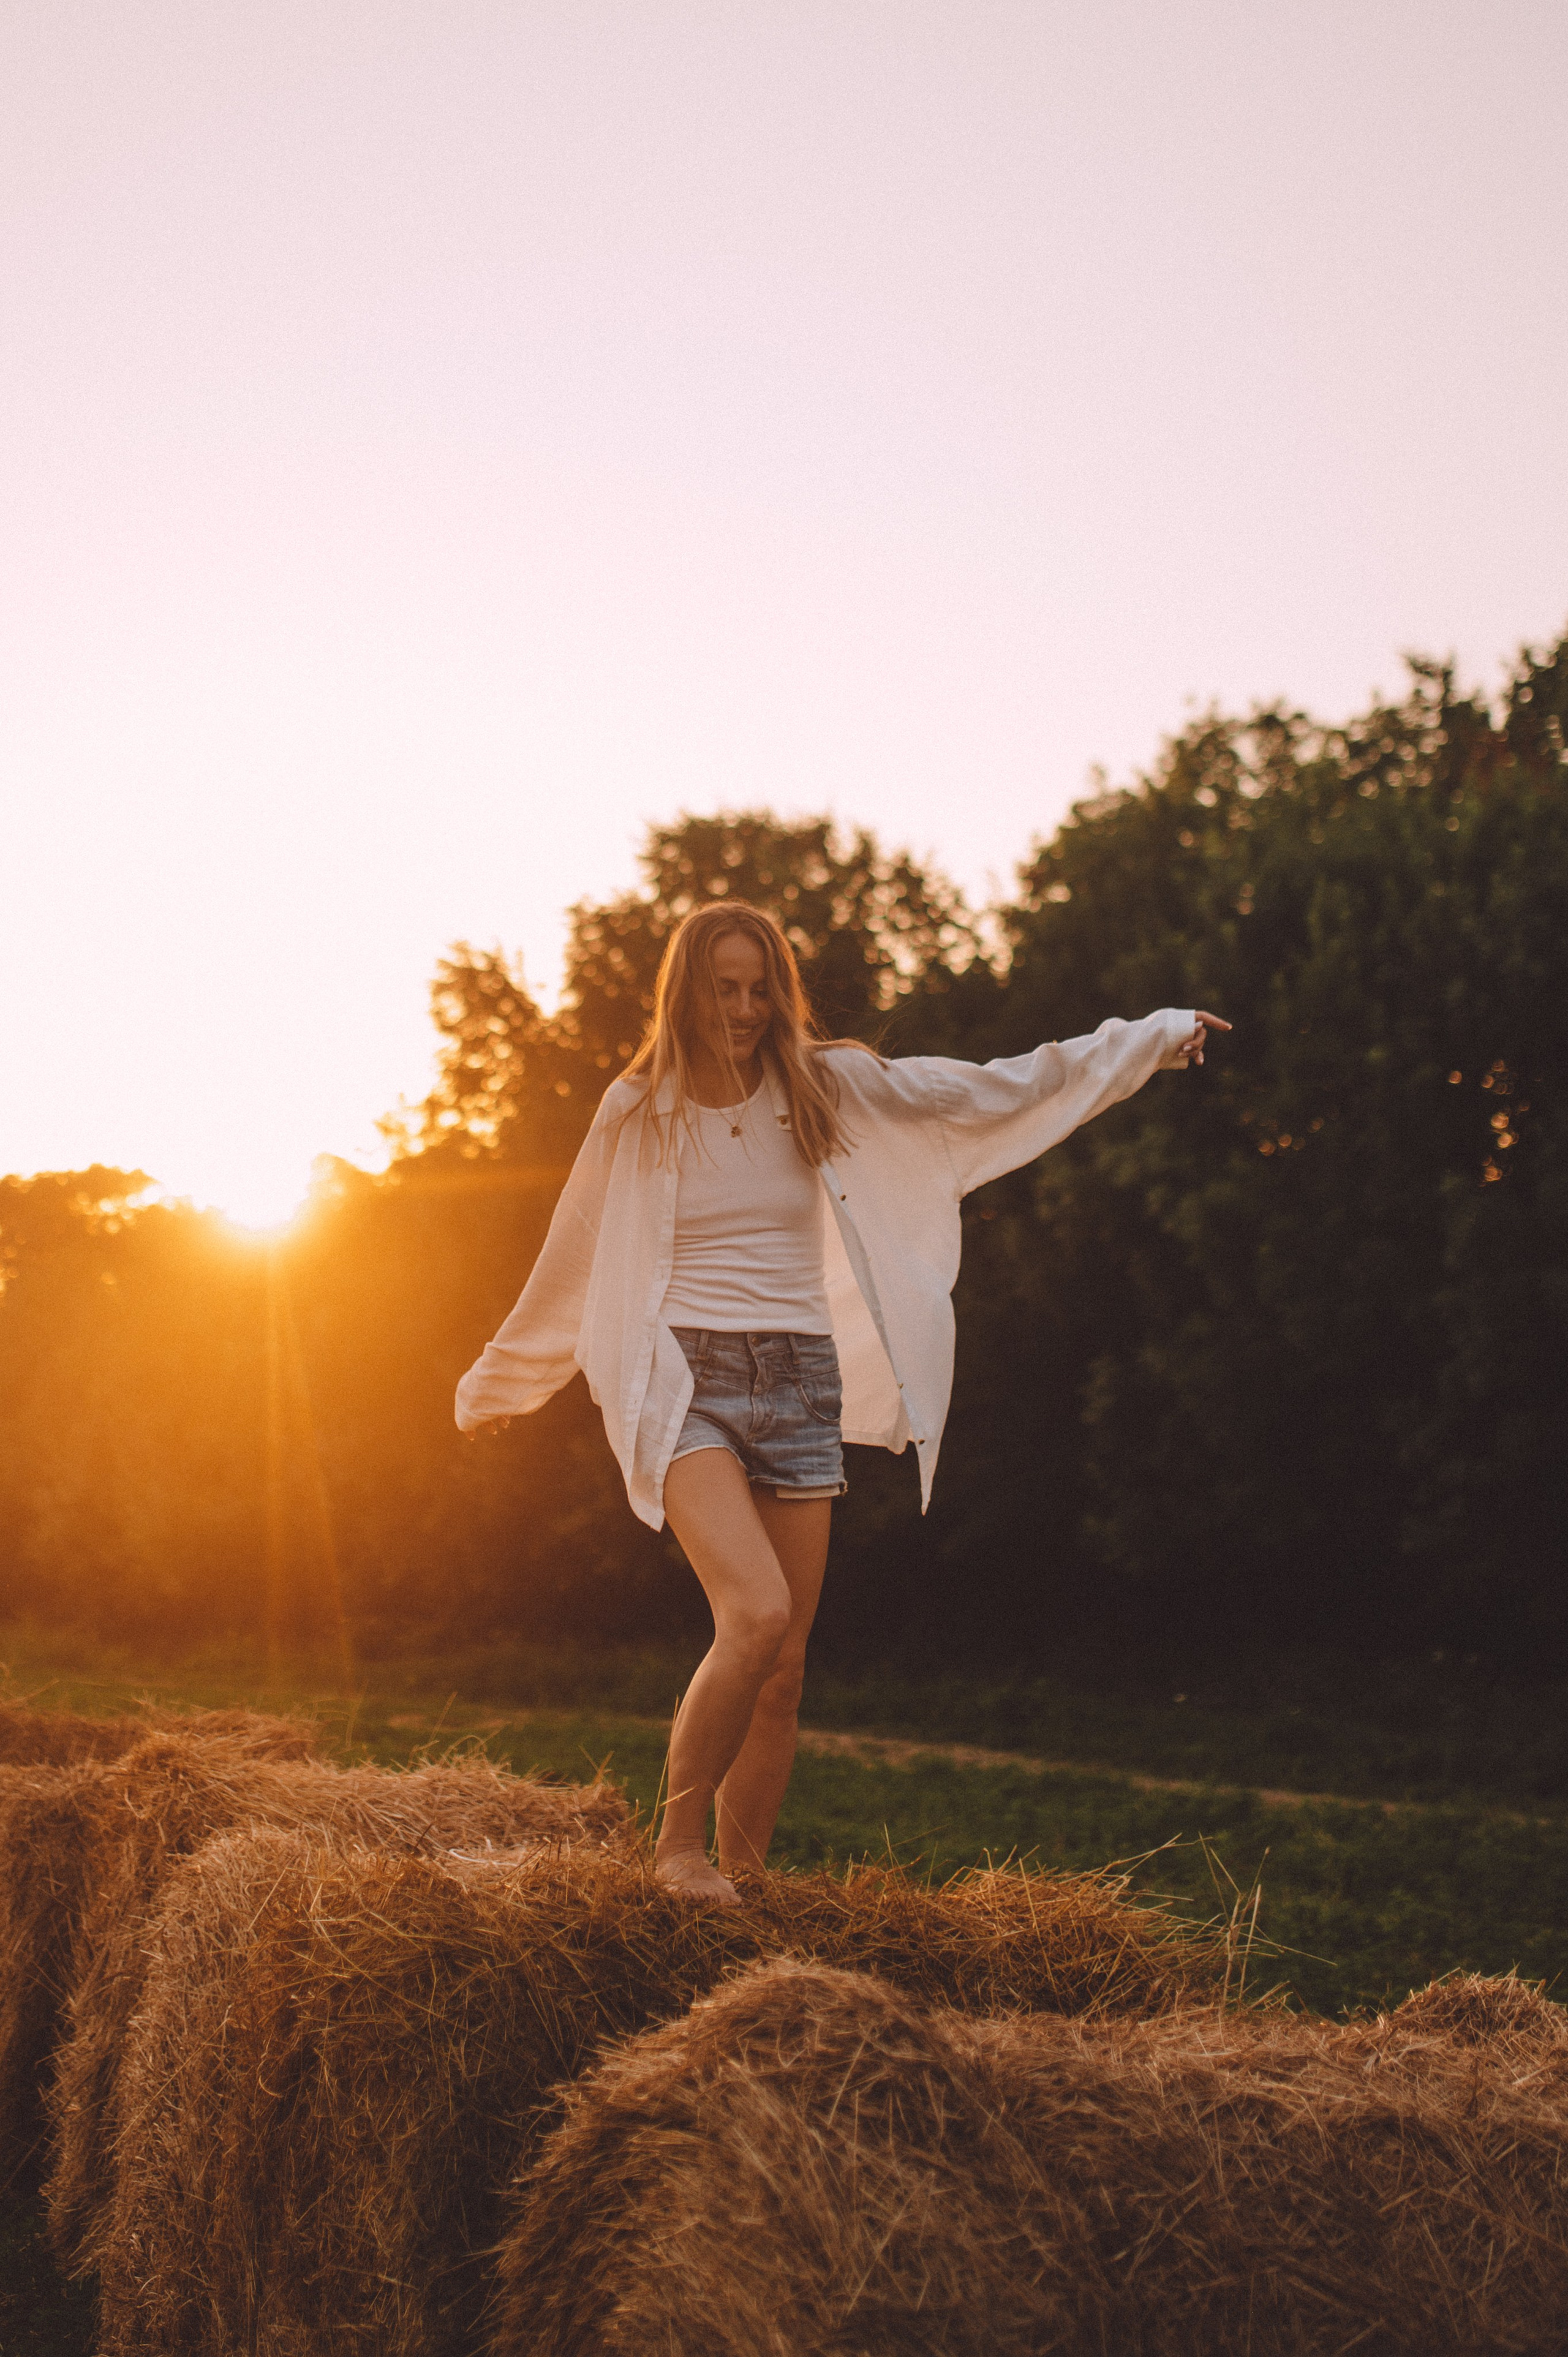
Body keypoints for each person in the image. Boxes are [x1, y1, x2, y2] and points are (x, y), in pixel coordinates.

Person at [456, 901, 1228, 1906]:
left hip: (800, 1381)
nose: (744, 1009)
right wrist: (504, 1381)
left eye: (759, 988)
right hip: (685, 1382)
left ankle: (742, 1890)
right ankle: (676, 1853)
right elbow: (576, 1249)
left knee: (784, 1669)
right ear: (684, 993)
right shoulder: (639, 1107)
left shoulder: (825, 1087)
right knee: (755, 1614)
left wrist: (1148, 1041)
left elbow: (996, 1088)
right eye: (724, 989)